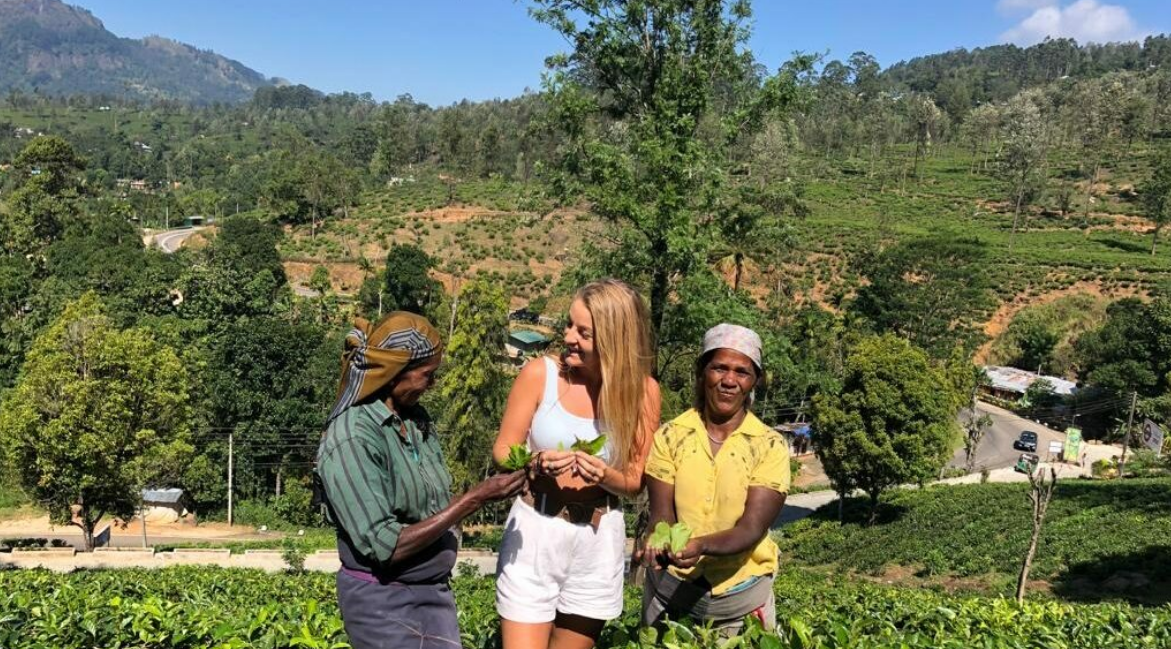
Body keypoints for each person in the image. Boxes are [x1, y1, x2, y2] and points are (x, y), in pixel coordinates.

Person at [315, 312, 527, 649]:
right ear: (394, 373)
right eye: (427, 375)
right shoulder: (353, 436)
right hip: (383, 601)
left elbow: (431, 506)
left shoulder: (414, 421)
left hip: (433, 595)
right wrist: (474, 499)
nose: (433, 384)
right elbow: (386, 545)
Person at [492, 278, 661, 649]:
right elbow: (503, 450)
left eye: (583, 333)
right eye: (569, 325)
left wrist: (605, 475)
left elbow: (634, 481)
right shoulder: (540, 374)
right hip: (535, 531)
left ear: (614, 340)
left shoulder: (643, 392)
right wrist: (534, 462)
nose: (568, 337)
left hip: (597, 540)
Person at [639, 323, 789, 635]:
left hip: (741, 603)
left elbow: (751, 528)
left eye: (742, 372)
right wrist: (660, 542)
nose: (729, 381)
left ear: (755, 381)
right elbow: (662, 517)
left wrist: (702, 545)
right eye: (719, 368)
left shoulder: (769, 446)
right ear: (701, 372)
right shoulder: (671, 436)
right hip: (671, 596)